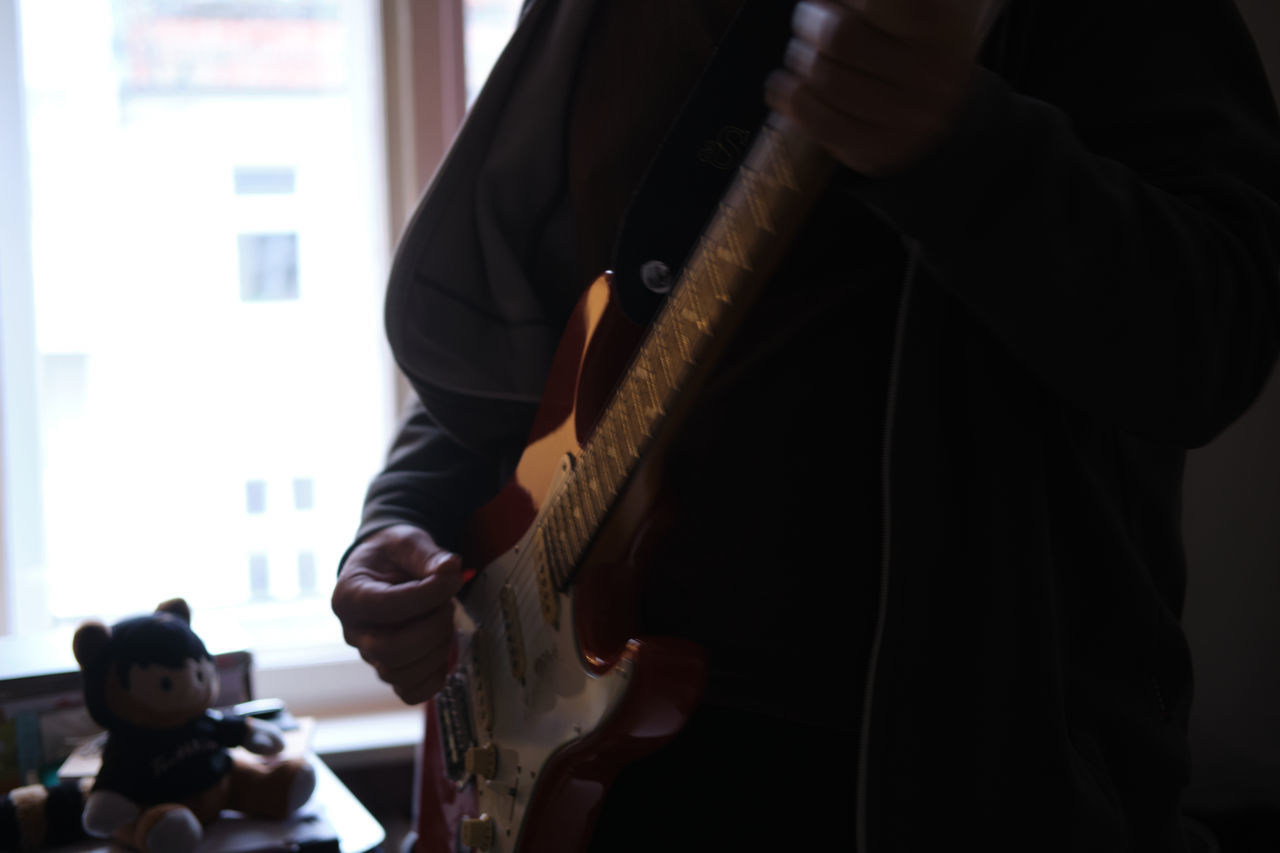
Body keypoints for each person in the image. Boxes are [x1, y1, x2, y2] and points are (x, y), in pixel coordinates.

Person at [332, 0, 1280, 849]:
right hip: (590, 771)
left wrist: (961, 144)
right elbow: (517, 364)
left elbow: (1214, 343)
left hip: (929, 787)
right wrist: (397, 520)